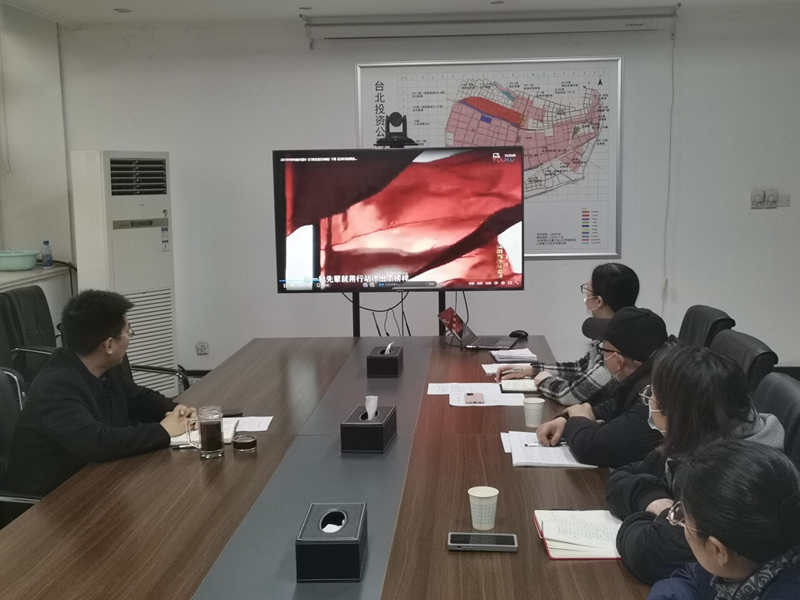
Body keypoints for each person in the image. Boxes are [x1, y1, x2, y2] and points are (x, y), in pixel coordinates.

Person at [607, 345, 785, 585]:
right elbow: (623, 476)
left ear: (678, 413)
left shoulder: (728, 479)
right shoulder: (701, 435)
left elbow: (648, 553)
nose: (649, 402)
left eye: (652, 396)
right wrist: (652, 499)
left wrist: (662, 514)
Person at [3, 290, 195, 497]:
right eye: (128, 332)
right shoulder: (54, 389)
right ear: (109, 345)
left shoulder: (102, 367)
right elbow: (99, 444)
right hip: (47, 503)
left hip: (92, 482)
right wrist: (163, 431)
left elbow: (138, 399)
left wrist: (178, 412)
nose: (129, 340)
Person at [648, 439, 800, 600]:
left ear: (718, 550)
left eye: (684, 519)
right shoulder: (744, 563)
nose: (681, 523)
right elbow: (692, 579)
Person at [535, 307, 672, 468]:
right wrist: (565, 419)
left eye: (603, 350)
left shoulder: (654, 396)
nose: (601, 355)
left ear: (618, 360)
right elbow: (615, 406)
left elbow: (591, 448)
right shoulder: (652, 373)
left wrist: (579, 419)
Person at [496, 262, 639, 406]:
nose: (585, 295)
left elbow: (569, 395)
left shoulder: (617, 344)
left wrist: (544, 381)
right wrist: (532, 369)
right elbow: (580, 368)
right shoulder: (615, 329)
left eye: (587, 289)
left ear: (598, 301)